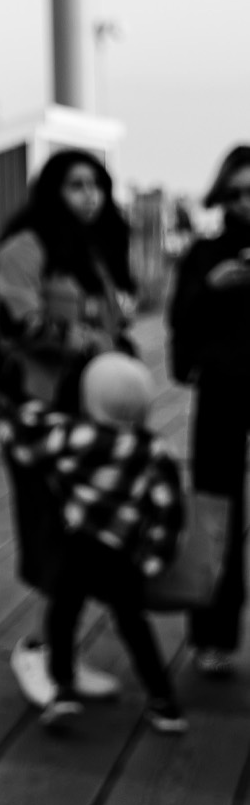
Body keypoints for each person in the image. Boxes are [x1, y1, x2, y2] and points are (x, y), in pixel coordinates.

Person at [0, 148, 137, 712]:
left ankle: (60, 655)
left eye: (96, 185)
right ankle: (39, 652)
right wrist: (91, 342)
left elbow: (116, 324)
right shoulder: (26, 250)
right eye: (75, 185)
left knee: (84, 535)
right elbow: (16, 323)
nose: (89, 196)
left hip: (84, 417)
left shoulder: (93, 254)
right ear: (52, 191)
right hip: (33, 417)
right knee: (54, 535)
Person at [0, 353, 184, 733]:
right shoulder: (155, 451)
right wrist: (155, 558)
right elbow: (168, 509)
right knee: (134, 626)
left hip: (76, 551)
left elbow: (18, 436)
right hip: (123, 557)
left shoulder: (73, 436)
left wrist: (24, 405)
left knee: (62, 618)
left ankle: (62, 689)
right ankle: (164, 702)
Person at [168, 143, 250, 674]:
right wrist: (212, 286)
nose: (246, 203)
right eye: (237, 192)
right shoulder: (203, 252)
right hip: (221, 390)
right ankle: (212, 634)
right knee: (216, 513)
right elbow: (180, 323)